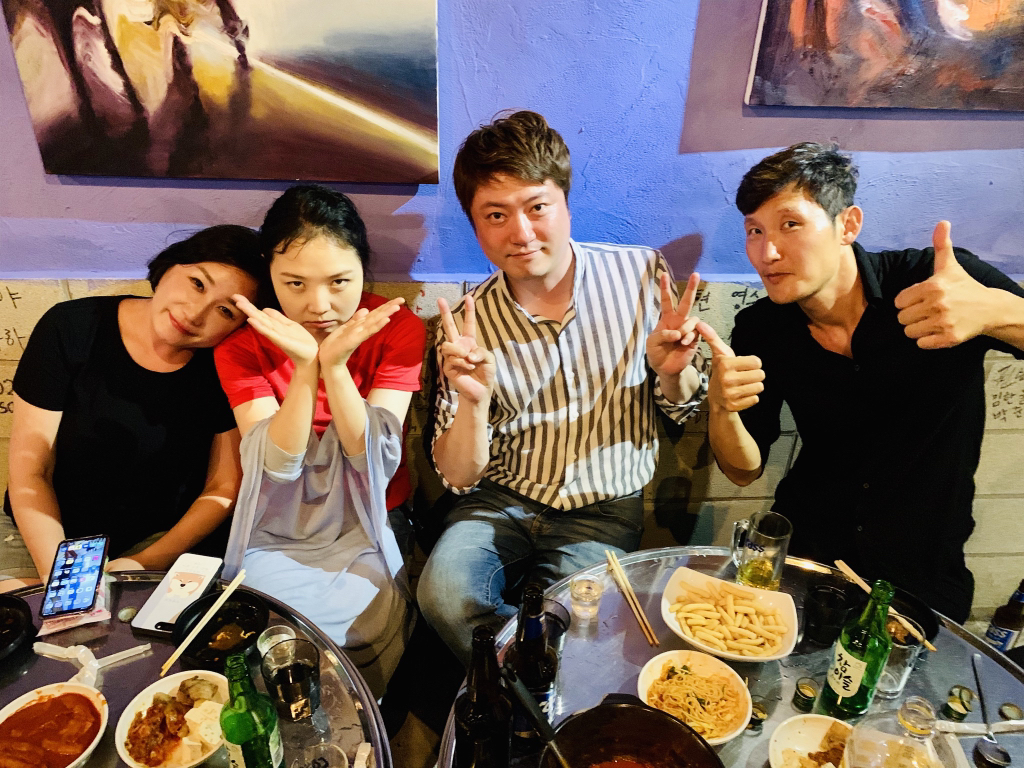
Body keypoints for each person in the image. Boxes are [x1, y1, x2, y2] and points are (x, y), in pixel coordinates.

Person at [417, 110, 708, 664]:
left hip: (604, 507)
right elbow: (459, 476)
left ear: (565, 204)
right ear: (476, 226)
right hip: (500, 499)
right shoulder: (468, 322)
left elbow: (683, 409)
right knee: (444, 598)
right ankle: (529, 679)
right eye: (496, 215)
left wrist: (673, 371)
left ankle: (519, 678)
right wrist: (473, 403)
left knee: (577, 625)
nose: (521, 233)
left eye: (536, 207)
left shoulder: (641, 275)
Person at [699, 142, 1024, 623]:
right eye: (754, 230)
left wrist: (996, 311)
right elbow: (744, 469)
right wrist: (720, 407)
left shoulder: (933, 283)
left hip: (921, 566)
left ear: (847, 225)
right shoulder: (761, 327)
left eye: (791, 224)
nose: (768, 252)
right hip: (807, 554)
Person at [214, 184, 425, 697]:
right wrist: (307, 366)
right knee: (272, 636)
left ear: (363, 269)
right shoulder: (242, 347)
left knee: (359, 629)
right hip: (279, 520)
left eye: (339, 282)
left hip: (372, 510)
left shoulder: (396, 329)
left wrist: (336, 366)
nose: (319, 305)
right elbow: (278, 466)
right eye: (295, 283)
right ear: (270, 276)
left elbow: (374, 460)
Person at [1, 225, 264, 591]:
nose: (195, 314)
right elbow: (31, 470)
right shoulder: (72, 327)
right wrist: (65, 580)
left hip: (160, 539)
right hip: (46, 527)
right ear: (171, 265)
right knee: (24, 617)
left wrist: (142, 563)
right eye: (197, 283)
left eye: (225, 310)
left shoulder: (226, 363)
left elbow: (223, 485)